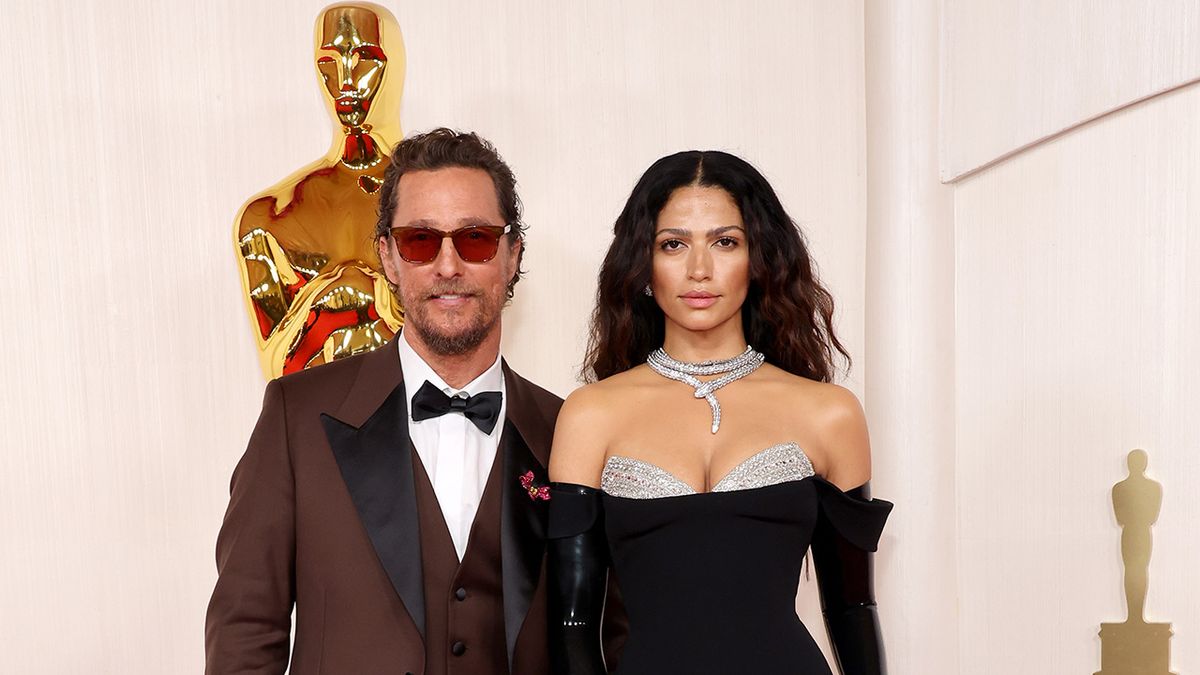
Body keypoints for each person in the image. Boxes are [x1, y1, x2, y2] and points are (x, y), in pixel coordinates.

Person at [207, 128, 624, 675]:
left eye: (474, 239)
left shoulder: (567, 430)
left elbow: (608, 635)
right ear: (388, 257)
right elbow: (244, 630)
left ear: (512, 255)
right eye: (420, 241)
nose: (448, 266)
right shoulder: (297, 417)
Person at [546, 150, 893, 674]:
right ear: (644, 263)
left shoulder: (830, 415)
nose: (700, 269)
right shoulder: (590, 415)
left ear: (759, 259)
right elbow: (573, 627)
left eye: (725, 242)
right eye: (674, 244)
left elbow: (853, 610)